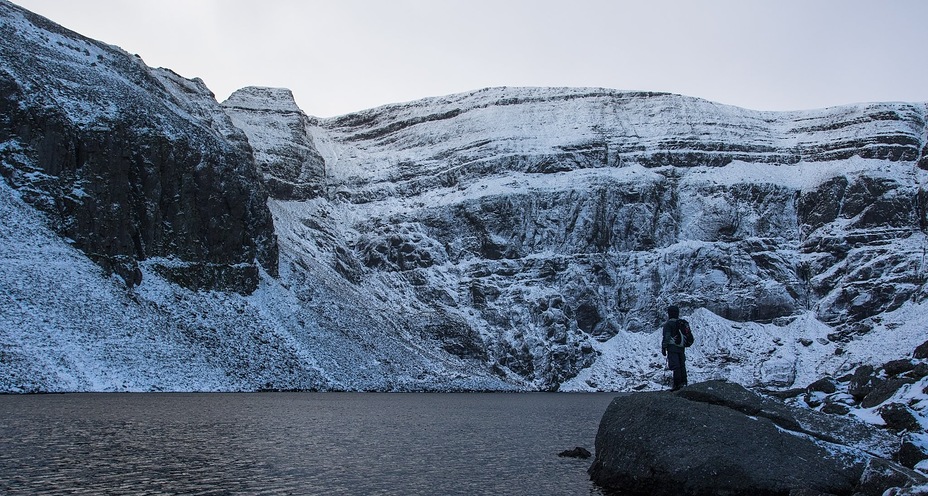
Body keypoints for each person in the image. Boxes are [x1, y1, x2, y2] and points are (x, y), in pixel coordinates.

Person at [661, 305, 688, 391]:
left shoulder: (668, 324)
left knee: (675, 366)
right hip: (681, 348)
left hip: (672, 349)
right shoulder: (681, 323)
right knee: (682, 365)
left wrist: (664, 347)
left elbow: (667, 336)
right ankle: (684, 383)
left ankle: (677, 385)